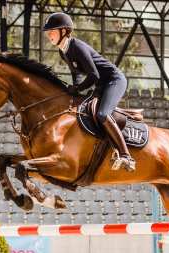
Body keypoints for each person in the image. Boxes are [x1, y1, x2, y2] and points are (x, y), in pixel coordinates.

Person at [42, 12, 136, 172]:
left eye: (52, 31)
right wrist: (73, 90)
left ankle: (126, 156)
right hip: (101, 84)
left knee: (102, 115)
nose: (49, 34)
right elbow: (77, 73)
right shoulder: (63, 51)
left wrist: (78, 88)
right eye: (48, 32)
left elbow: (94, 74)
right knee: (83, 110)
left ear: (64, 31)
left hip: (114, 80)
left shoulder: (76, 46)